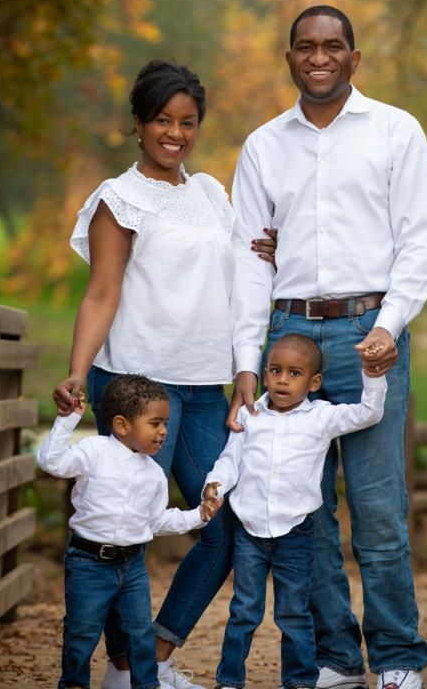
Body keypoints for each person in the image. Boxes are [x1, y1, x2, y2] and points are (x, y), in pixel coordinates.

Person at [229, 5, 427, 689]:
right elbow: (248, 260)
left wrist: (392, 322)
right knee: (303, 514)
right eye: (305, 47)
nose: (318, 57)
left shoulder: (395, 132)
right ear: (289, 57)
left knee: (378, 509)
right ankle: (337, 659)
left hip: (368, 333)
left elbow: (417, 238)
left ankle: (399, 659)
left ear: (354, 56)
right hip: (288, 339)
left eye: (332, 46)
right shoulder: (263, 146)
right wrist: (245, 360)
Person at [53, 60, 275, 689]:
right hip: (137, 387)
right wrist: (75, 373)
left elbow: (237, 277)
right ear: (139, 123)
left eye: (187, 122)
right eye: (162, 121)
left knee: (223, 521)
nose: (175, 134)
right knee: (127, 525)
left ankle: (152, 652)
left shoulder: (210, 193)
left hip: (207, 387)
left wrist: (243, 368)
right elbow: (100, 293)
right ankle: (129, 671)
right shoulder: (117, 199)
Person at [203, 334, 387, 689]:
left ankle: (300, 681)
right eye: (275, 371)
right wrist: (215, 485)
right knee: (243, 611)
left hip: (296, 534)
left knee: (293, 613)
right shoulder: (250, 414)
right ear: (265, 374)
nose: (282, 380)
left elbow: (369, 412)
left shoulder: (320, 417)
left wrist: (372, 374)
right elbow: (231, 459)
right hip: (250, 532)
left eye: (294, 373)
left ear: (313, 382)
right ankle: (229, 680)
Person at [37, 374, 223, 689]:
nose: (164, 431)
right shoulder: (94, 451)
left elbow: (156, 521)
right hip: (88, 563)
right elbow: (52, 462)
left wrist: (198, 516)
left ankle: (146, 685)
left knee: (139, 633)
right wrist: (67, 421)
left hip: (132, 566)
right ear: (122, 425)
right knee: (82, 632)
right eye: (156, 423)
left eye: (165, 422)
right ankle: (73, 683)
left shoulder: (154, 473)